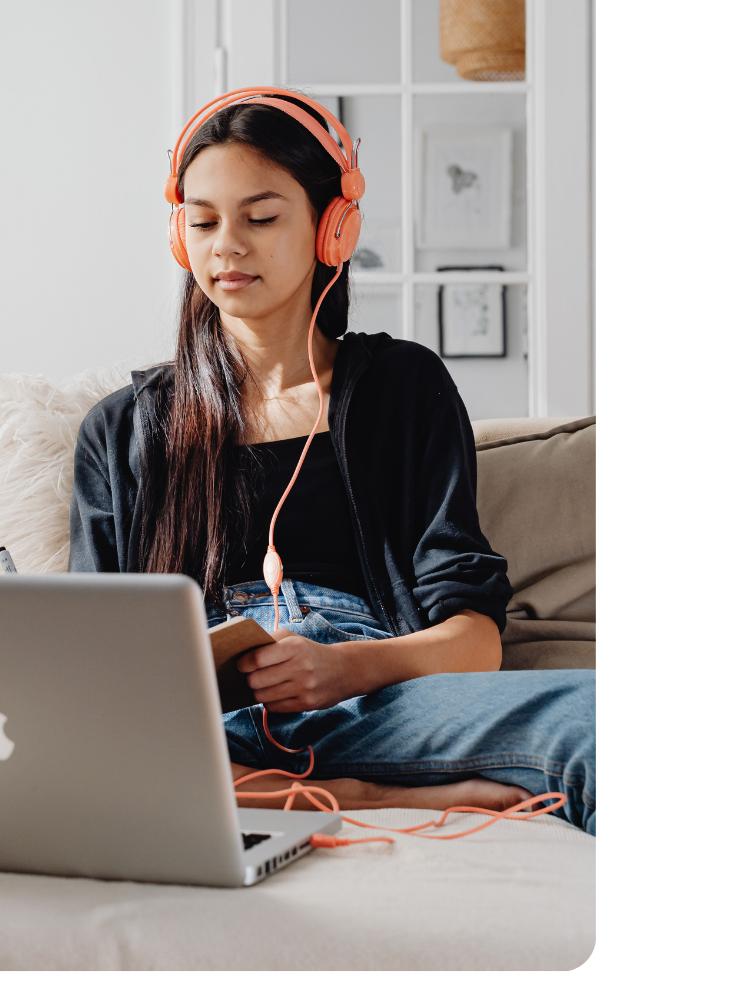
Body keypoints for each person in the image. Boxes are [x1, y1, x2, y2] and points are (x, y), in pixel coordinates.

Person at [69, 92, 594, 835]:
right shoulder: (121, 431)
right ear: (180, 238)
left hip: (378, 704)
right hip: (198, 733)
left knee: (589, 719)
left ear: (332, 229)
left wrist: (343, 668)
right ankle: (358, 798)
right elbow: (92, 669)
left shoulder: (402, 388)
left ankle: (330, 782)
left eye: (261, 216)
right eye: (205, 220)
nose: (226, 245)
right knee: (73, 741)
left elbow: (474, 638)